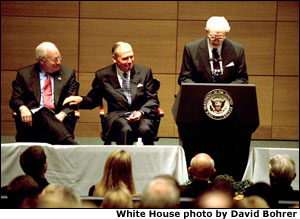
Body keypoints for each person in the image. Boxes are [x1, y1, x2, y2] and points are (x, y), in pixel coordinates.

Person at [63, 42, 159, 145]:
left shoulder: (145, 72)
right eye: (125, 58)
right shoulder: (103, 75)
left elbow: (152, 100)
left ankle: (147, 160)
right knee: (124, 128)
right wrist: (81, 100)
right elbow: (94, 99)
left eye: (132, 57)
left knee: (145, 129)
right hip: (117, 117)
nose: (130, 61)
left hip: (141, 115)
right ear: (114, 59)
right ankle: (123, 160)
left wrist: (140, 112)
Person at [9, 41, 79, 145]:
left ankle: (67, 141)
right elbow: (15, 99)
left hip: (59, 119)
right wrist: (22, 108)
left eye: (59, 57)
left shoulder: (68, 74)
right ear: (41, 60)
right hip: (33, 123)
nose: (59, 62)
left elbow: (72, 101)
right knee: (42, 112)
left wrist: (63, 114)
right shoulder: (24, 74)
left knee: (45, 113)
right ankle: (70, 144)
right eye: (54, 59)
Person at [178, 16, 248, 85]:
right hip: (199, 94)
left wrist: (225, 90)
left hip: (227, 95)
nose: (216, 41)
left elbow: (242, 79)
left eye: (220, 37)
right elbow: (184, 78)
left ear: (225, 34)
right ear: (206, 31)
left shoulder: (237, 50)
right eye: (212, 37)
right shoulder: (191, 49)